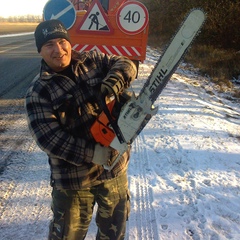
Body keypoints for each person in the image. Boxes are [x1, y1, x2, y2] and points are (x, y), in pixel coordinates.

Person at [25, 19, 137, 240]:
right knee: (66, 236)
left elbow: (126, 63)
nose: (58, 50)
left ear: (69, 41)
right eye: (49, 45)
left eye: (61, 41)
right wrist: (92, 153)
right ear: (40, 51)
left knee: (113, 234)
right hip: (74, 182)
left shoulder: (93, 60)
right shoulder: (38, 91)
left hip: (113, 170)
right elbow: (50, 139)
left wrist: (116, 79)